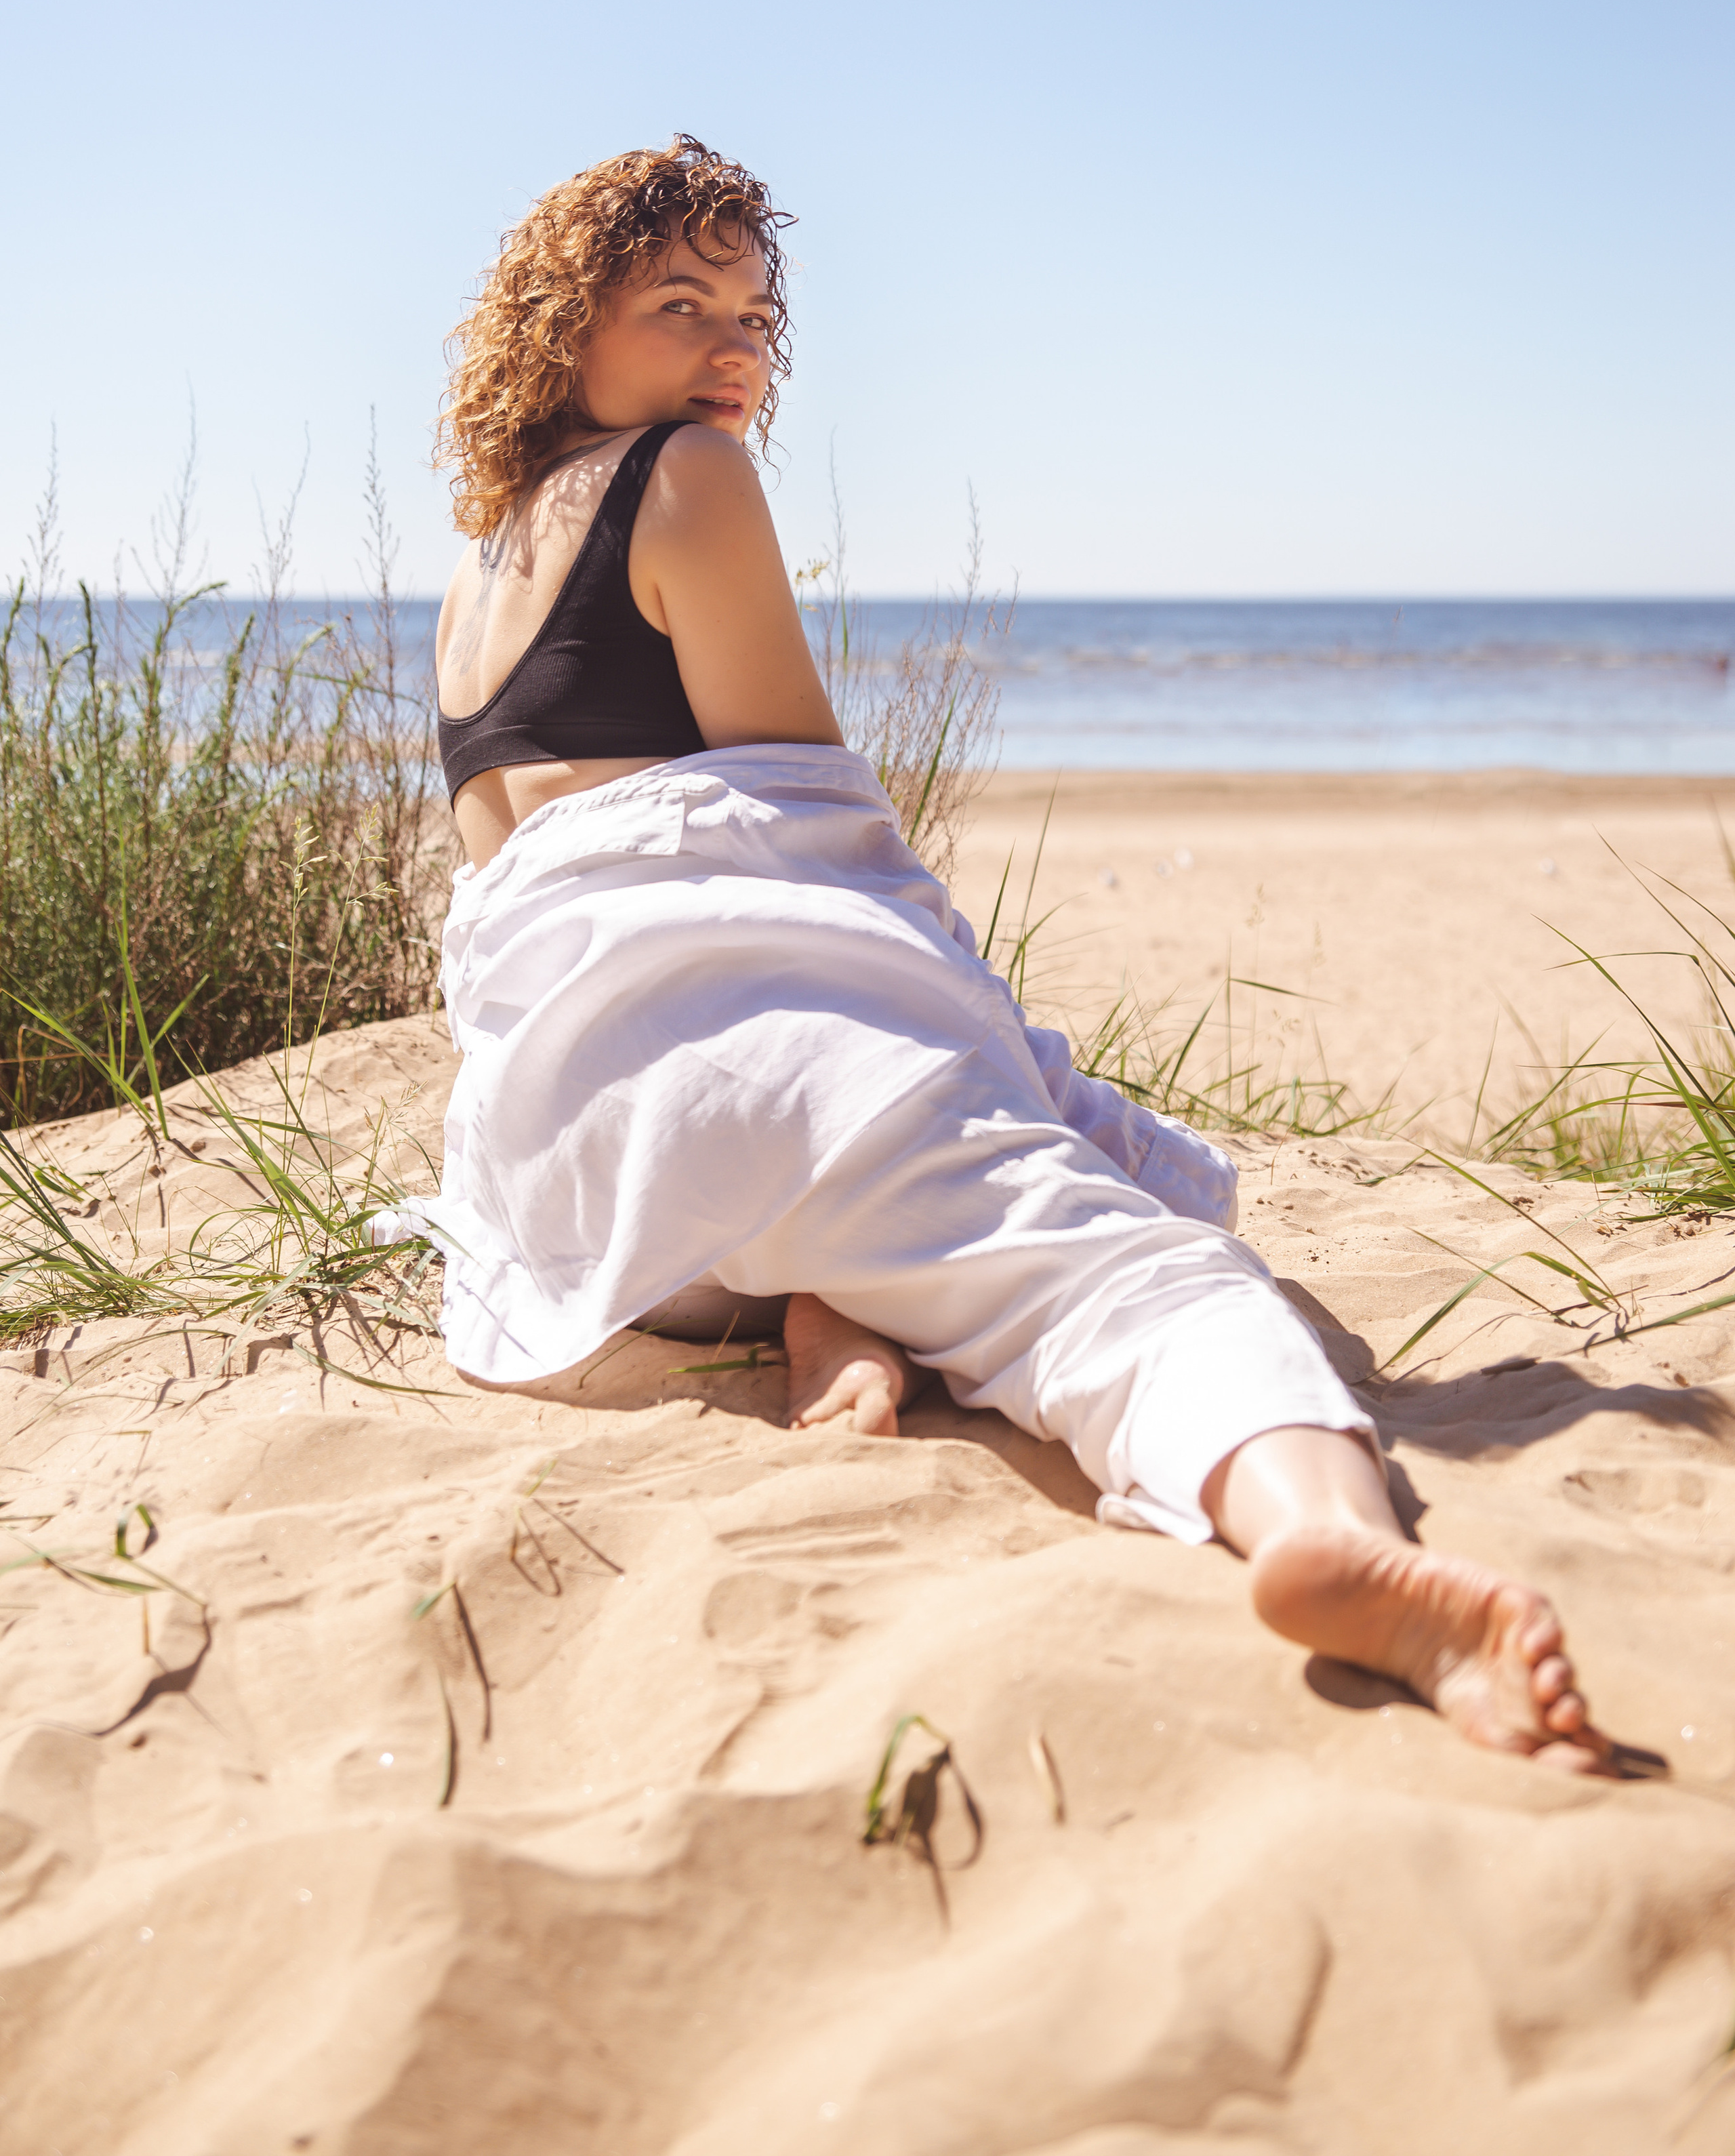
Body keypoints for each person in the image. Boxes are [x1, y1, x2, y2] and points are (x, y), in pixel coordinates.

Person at [405, 134, 1608, 1774]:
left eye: (752, 317)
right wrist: (999, 1056)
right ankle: (1337, 1540)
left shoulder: (477, 575)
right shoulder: (686, 483)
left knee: (828, 1197)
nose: (729, 350)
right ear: (563, 324)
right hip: (749, 1086)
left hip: (585, 1207)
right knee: (1135, 1279)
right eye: (680, 303)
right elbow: (813, 830)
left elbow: (532, 900)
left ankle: (818, 1299)